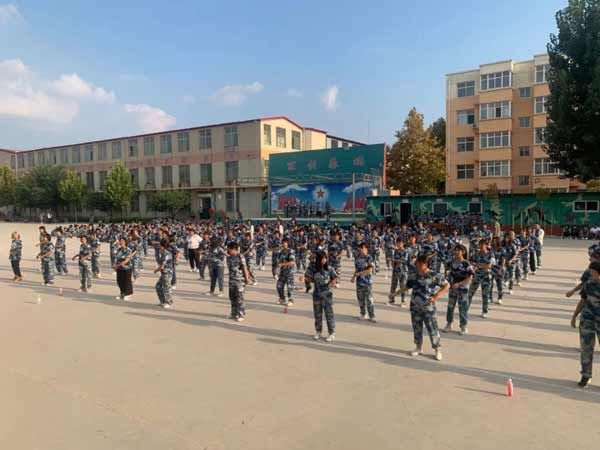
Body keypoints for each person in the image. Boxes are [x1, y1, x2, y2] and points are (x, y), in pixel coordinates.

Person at [407, 253, 450, 361]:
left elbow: (447, 285)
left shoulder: (434, 275)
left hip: (428, 307)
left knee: (432, 328)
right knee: (417, 327)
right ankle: (418, 347)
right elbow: (407, 286)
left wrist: (436, 296)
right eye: (416, 262)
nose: (416, 264)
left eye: (419, 263)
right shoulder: (414, 274)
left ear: (425, 264)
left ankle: (437, 349)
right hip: (415, 306)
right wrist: (395, 294)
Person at [570, 261, 600, 388]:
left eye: (593, 272)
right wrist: (574, 316)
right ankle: (586, 375)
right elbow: (583, 300)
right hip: (587, 320)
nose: (591, 274)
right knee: (586, 349)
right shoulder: (589, 284)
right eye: (591, 272)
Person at [305, 250, 337, 341]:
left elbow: (335, 278)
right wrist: (305, 279)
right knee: (317, 315)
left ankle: (331, 333)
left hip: (327, 295)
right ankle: (318, 331)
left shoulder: (329, 268)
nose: (324, 260)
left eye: (325, 258)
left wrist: (331, 284)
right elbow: (309, 278)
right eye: (322, 258)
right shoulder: (313, 268)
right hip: (317, 294)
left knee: (329, 314)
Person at [443, 244, 473, 335]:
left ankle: (463, 326)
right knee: (450, 307)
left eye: (458, 250)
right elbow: (447, 271)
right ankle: (449, 324)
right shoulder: (451, 262)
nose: (456, 252)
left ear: (463, 252)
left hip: (463, 289)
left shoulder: (466, 263)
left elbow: (470, 277)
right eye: (455, 250)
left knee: (463, 308)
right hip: (453, 288)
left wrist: (459, 284)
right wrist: (447, 280)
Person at [468, 240, 495, 319]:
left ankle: (484, 311)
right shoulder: (476, 254)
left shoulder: (490, 254)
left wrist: (479, 266)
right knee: (470, 293)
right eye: (479, 245)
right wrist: (480, 266)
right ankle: (465, 308)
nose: (480, 247)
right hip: (477, 276)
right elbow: (471, 263)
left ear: (486, 245)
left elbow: (490, 265)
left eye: (482, 245)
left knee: (485, 295)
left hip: (486, 276)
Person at [352, 242, 376, 322]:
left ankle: (372, 315)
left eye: (362, 248)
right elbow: (357, 269)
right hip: (359, 282)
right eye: (360, 248)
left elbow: (370, 270)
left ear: (366, 249)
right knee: (360, 299)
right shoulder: (357, 258)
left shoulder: (369, 257)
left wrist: (360, 273)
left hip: (367, 282)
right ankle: (363, 313)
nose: (361, 250)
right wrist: (353, 277)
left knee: (369, 299)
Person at [226, 242, 250, 322]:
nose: (228, 251)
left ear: (234, 249)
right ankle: (233, 313)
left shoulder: (240, 257)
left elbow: (244, 267)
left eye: (229, 249)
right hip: (231, 280)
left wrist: (247, 278)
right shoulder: (229, 257)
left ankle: (240, 314)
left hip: (240, 281)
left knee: (239, 298)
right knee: (232, 297)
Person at [387, 238, 409, 306]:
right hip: (395, 271)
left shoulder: (405, 251)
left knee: (402, 286)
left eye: (400, 243)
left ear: (403, 243)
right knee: (393, 286)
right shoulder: (396, 251)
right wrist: (392, 263)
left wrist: (392, 260)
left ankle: (403, 301)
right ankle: (392, 299)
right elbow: (395, 260)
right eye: (397, 243)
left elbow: (403, 261)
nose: (398, 244)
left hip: (403, 271)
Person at [154, 238, 174, 308]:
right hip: (164, 273)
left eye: (159, 244)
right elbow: (159, 262)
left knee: (166, 288)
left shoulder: (166, 253)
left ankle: (169, 302)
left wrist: (156, 270)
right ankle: (163, 301)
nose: (158, 246)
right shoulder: (162, 252)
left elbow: (162, 266)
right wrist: (156, 252)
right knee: (158, 286)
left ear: (162, 245)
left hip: (167, 273)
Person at [276, 238, 296, 306]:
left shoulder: (291, 251)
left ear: (288, 243)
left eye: (285, 242)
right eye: (283, 242)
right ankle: (282, 298)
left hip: (289, 272)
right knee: (279, 286)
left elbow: (292, 262)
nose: (283, 244)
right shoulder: (281, 251)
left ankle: (291, 300)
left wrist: (282, 264)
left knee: (289, 287)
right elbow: (279, 261)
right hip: (282, 272)